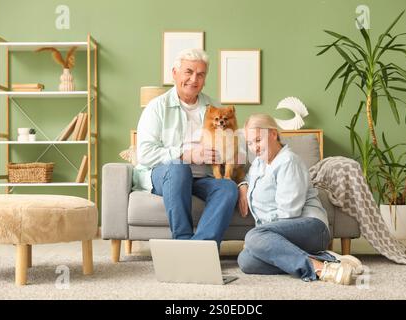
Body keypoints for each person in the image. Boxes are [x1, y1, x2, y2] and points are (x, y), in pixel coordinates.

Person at [237, 114, 362, 285]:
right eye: (250, 143)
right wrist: (243, 185)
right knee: (246, 261)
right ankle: (330, 259)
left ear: (273, 134)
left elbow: (289, 213)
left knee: (253, 237)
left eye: (258, 140)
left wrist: (261, 238)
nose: (254, 148)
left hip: (311, 228)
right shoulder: (259, 163)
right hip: (278, 234)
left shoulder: (288, 161)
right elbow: (249, 179)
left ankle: (321, 269)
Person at [133, 48, 238, 247]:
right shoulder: (156, 107)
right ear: (175, 73)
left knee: (227, 187)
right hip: (166, 175)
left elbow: (233, 148)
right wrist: (186, 155)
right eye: (188, 72)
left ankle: (198, 249)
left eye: (200, 74)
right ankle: (181, 241)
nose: (194, 79)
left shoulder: (215, 108)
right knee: (179, 170)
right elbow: (145, 154)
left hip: (203, 177)